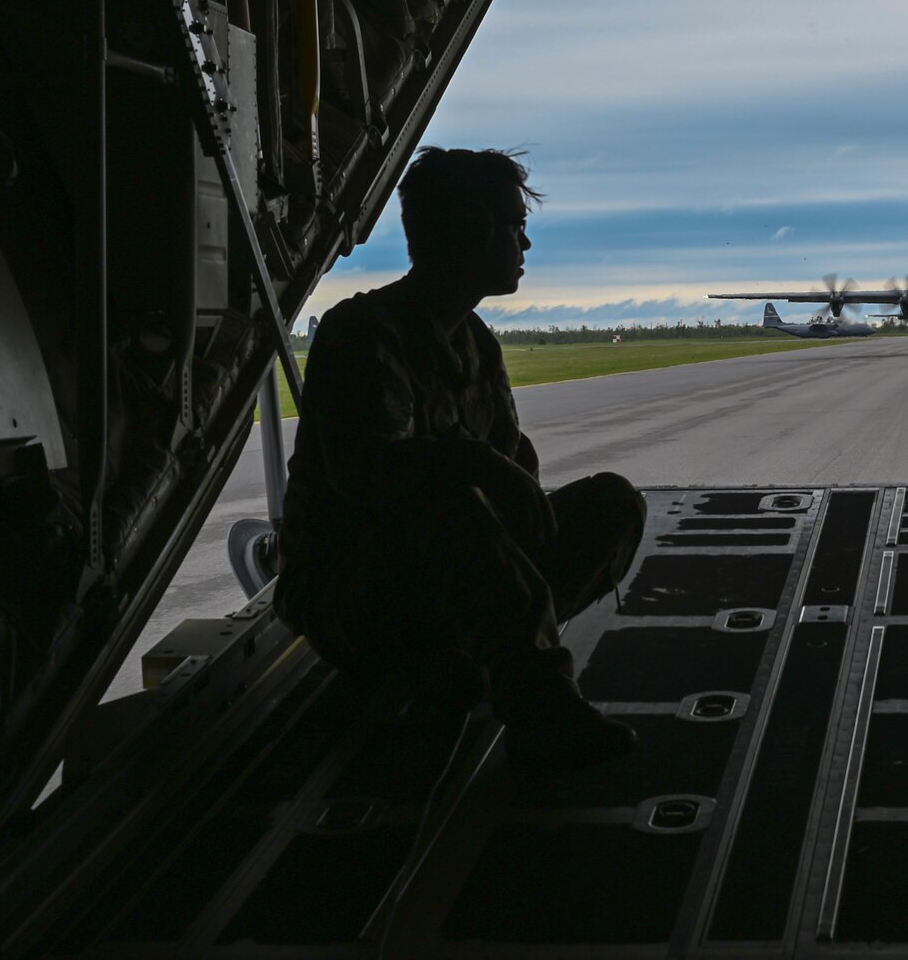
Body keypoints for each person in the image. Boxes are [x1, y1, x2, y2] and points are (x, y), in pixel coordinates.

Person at [274, 148, 646, 770]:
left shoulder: (475, 344)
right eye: (512, 224)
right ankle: (541, 710)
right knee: (448, 506)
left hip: (451, 580)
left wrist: (503, 487)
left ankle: (470, 658)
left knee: (614, 502)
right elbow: (369, 478)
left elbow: (516, 480)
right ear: (471, 231)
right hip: (354, 596)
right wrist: (474, 466)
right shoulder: (362, 334)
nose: (524, 242)